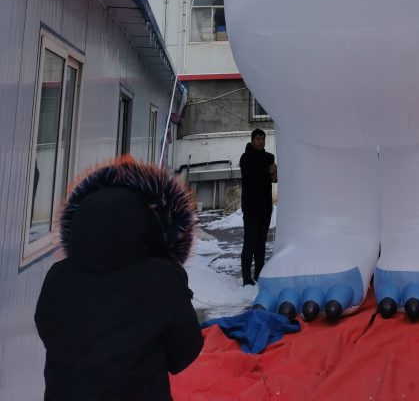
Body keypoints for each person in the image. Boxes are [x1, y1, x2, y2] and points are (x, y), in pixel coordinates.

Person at [35, 156, 203, 401]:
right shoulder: (161, 280)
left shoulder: (57, 277)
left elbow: (48, 330)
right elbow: (185, 352)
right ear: (146, 225)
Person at [240, 128, 277, 286]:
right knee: (250, 240)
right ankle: (246, 275)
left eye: (263, 139)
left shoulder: (269, 157)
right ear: (252, 140)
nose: (261, 141)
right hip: (250, 206)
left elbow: (273, 180)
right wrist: (267, 172)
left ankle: (259, 272)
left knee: (261, 241)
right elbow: (250, 176)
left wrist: (274, 174)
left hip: (265, 206)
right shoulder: (245, 157)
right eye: (258, 139)